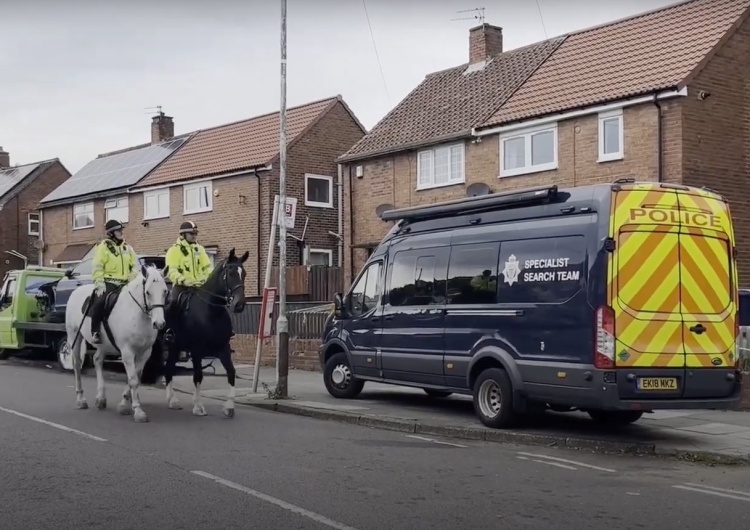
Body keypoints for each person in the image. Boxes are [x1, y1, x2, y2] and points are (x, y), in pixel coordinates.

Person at [163, 221, 213, 342]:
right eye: (191, 233)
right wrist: (184, 280)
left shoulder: (200, 249)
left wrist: (205, 280)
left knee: (217, 301)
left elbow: (208, 268)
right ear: (183, 235)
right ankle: (170, 331)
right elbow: (171, 271)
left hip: (199, 286)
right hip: (182, 287)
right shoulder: (174, 251)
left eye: (195, 233)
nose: (194, 236)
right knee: (172, 304)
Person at [90, 219, 137, 344]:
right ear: (111, 233)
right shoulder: (103, 248)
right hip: (109, 283)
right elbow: (97, 267)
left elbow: (135, 266)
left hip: (126, 284)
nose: (121, 232)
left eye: (121, 230)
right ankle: (95, 331)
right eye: (118, 230)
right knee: (99, 302)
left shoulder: (128, 248)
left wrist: (132, 277)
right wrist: (99, 284)